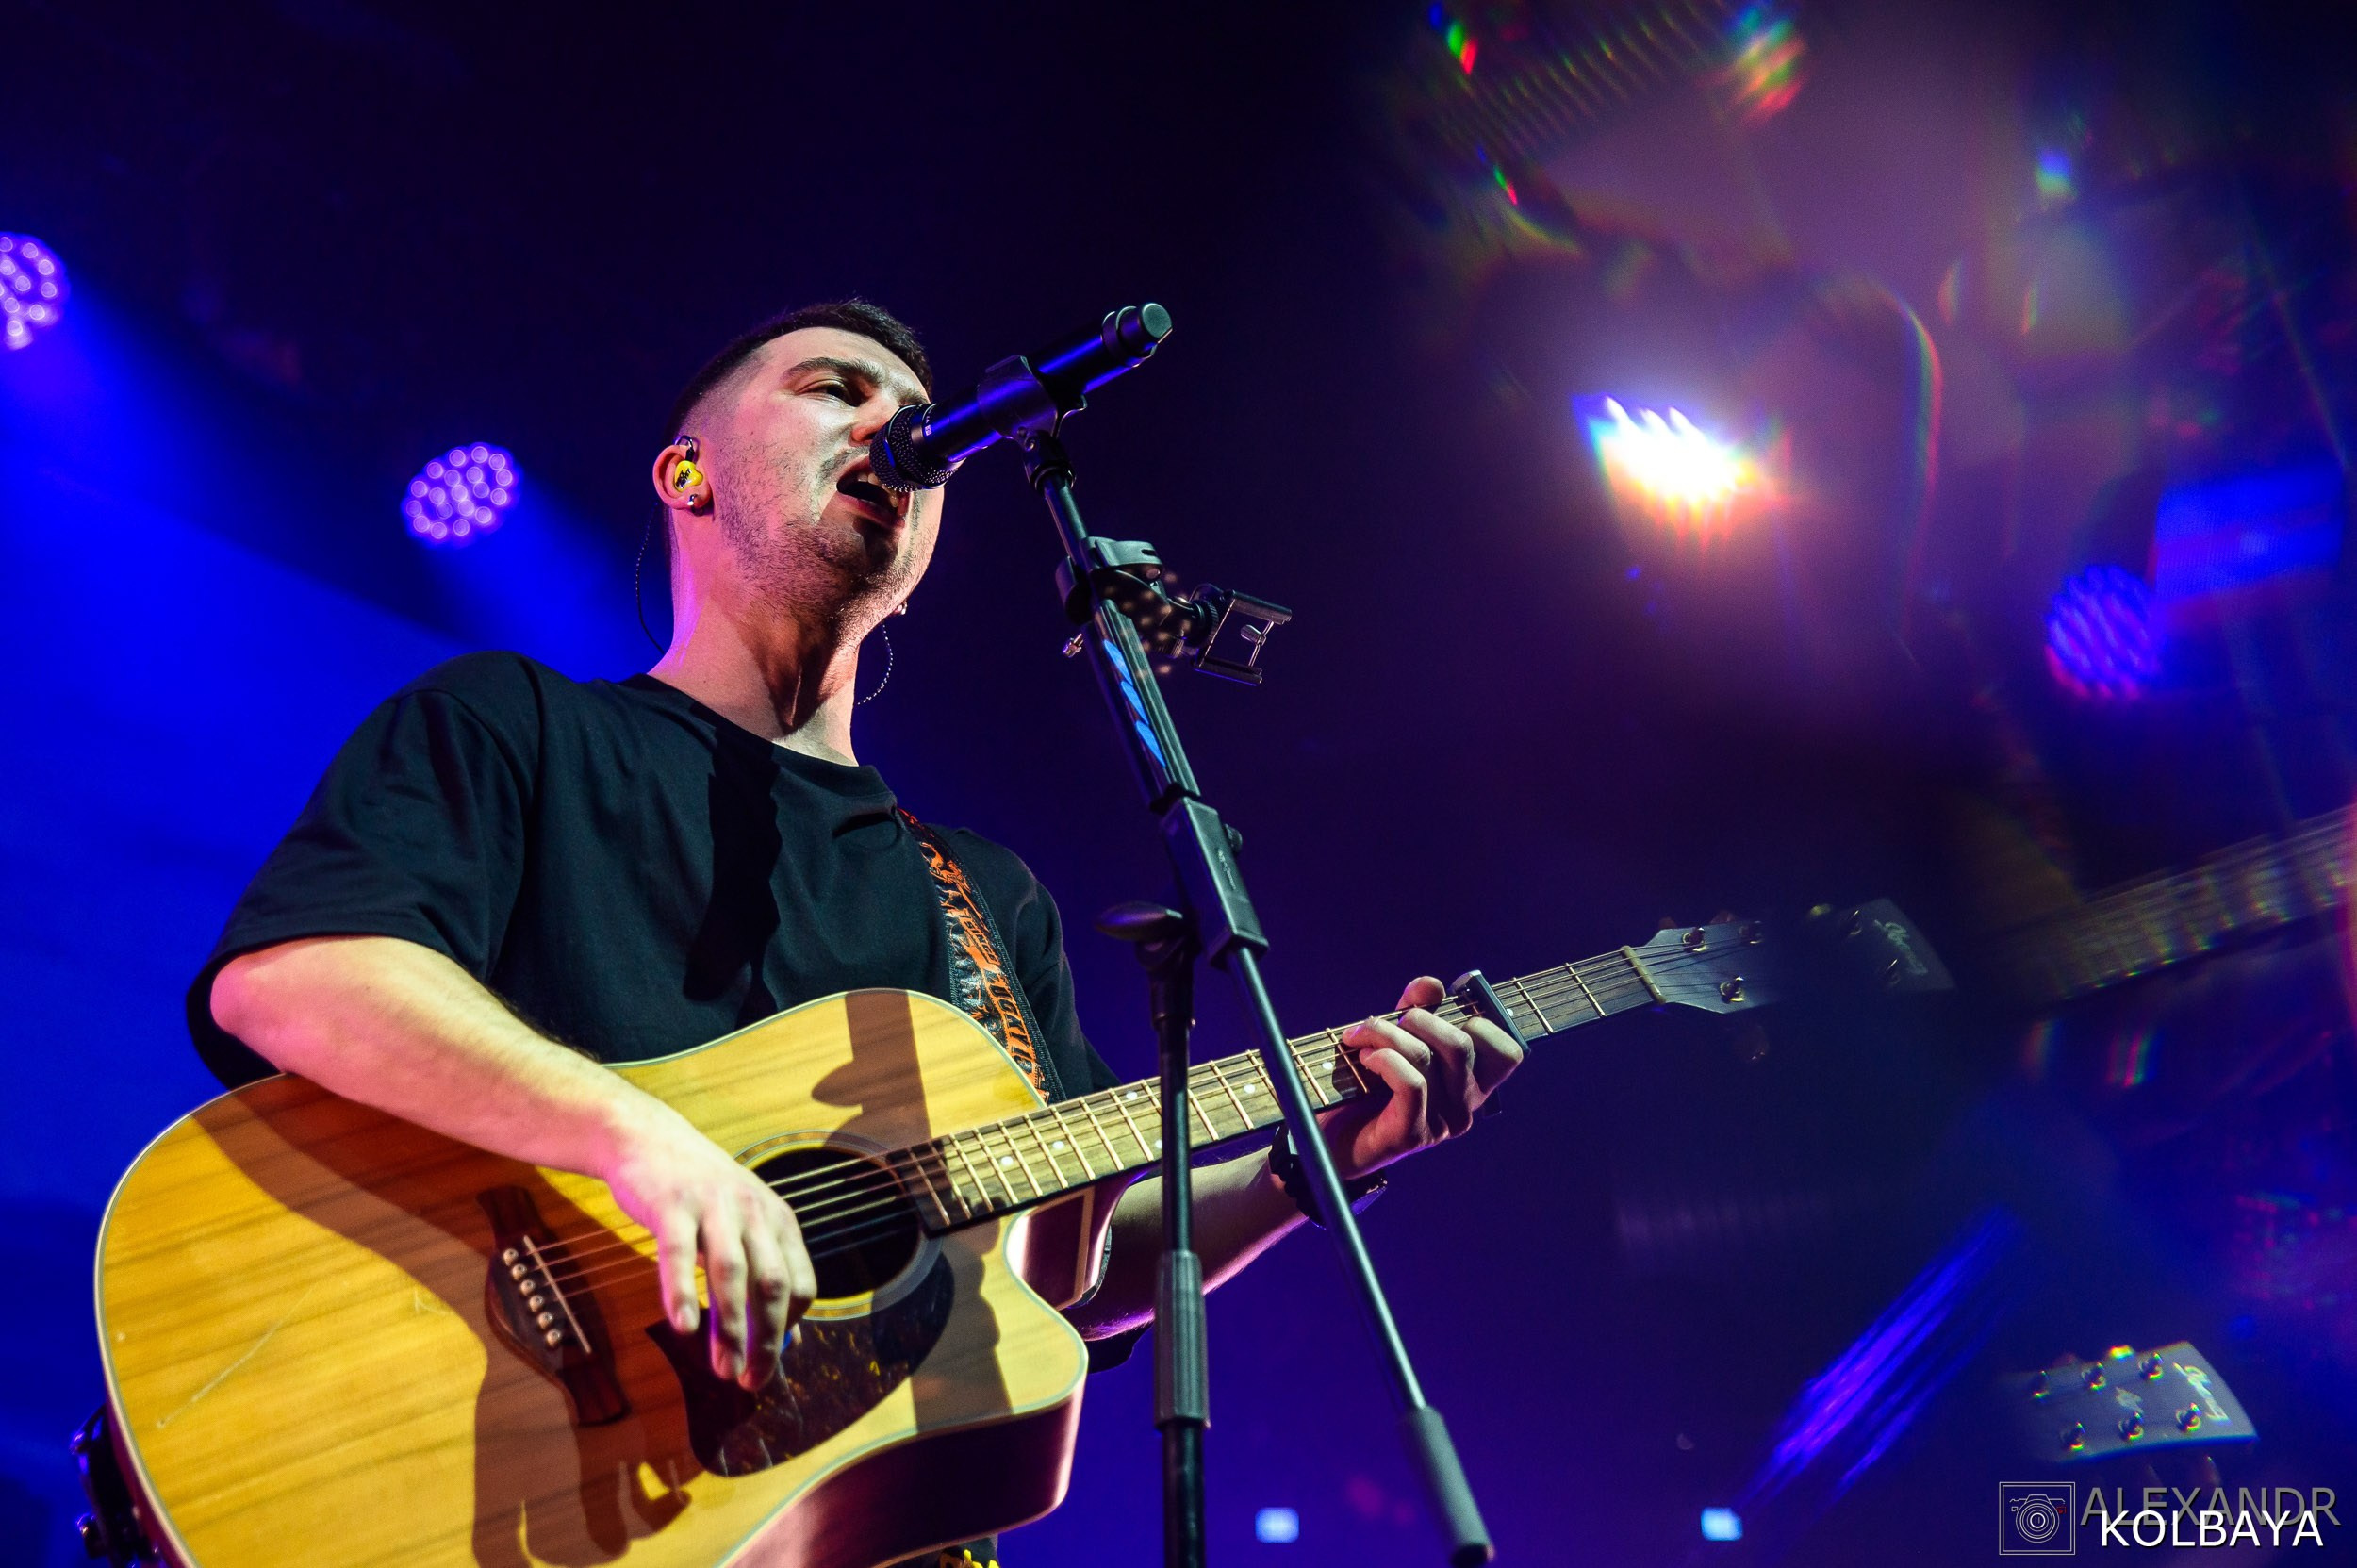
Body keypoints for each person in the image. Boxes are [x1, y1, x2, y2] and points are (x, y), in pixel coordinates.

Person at [190, 300, 1523, 1565]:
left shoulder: (984, 899)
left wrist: (1317, 1165)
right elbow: (299, 980)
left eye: (920, 413)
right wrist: (638, 1143)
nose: (895, 425)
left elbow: (1072, 1268)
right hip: (498, 1473)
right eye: (836, 389)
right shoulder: (515, 726)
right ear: (688, 475)